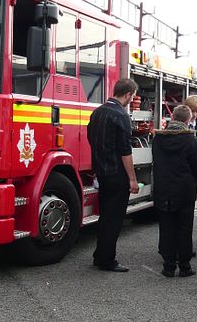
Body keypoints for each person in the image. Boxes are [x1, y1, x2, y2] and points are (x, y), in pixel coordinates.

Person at [87, 78, 141, 272]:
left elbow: (90, 138)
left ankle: (99, 254)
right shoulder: (121, 116)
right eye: (132, 96)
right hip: (117, 174)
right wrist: (133, 179)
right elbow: (125, 151)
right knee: (114, 218)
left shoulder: (97, 112)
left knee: (105, 215)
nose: (131, 99)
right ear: (127, 94)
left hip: (101, 172)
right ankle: (106, 260)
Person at [152, 105, 197, 277]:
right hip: (184, 190)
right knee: (184, 228)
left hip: (163, 189)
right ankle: (184, 266)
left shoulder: (158, 139)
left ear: (173, 118)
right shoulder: (191, 140)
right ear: (187, 120)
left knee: (166, 227)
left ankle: (168, 266)